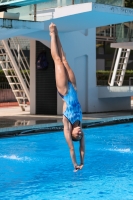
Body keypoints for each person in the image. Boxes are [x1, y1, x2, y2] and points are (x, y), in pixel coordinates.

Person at [49, 23, 85, 171]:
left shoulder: (67, 125)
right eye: (80, 134)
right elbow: (82, 148)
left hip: (64, 90)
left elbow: (72, 149)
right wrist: (83, 161)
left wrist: (75, 164)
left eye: (77, 135)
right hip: (74, 87)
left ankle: (51, 34)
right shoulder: (80, 124)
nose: (80, 132)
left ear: (72, 134)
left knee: (57, 60)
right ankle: (57, 34)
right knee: (64, 59)